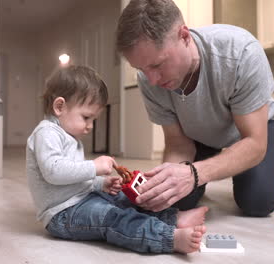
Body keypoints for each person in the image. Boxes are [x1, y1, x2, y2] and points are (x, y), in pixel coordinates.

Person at [116, 0, 274, 217]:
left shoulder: (241, 53)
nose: (152, 80)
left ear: (184, 36)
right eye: (141, 69)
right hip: (197, 136)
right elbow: (177, 142)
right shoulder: (147, 79)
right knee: (176, 202)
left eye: (157, 65)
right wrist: (165, 185)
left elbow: (255, 143)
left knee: (257, 203)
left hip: (246, 135)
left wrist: (195, 173)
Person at [26, 65, 208, 254]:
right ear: (59, 106)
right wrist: (93, 166)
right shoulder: (46, 133)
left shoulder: (70, 137)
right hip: (62, 214)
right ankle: (169, 238)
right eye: (86, 117)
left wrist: (101, 183)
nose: (90, 126)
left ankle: (172, 218)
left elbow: (76, 179)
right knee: (113, 217)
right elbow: (53, 172)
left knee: (124, 197)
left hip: (80, 200)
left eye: (93, 120)